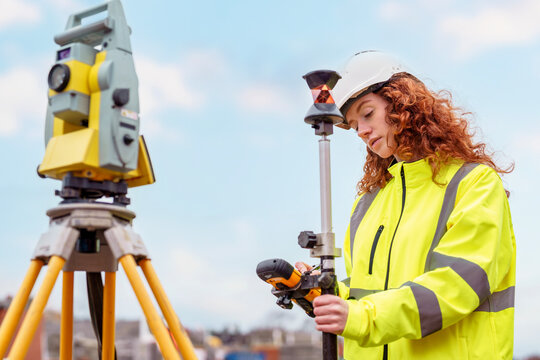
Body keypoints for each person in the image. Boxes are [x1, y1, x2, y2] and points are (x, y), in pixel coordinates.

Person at [296, 50, 516, 360]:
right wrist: (319, 291)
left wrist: (362, 319)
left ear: (401, 102)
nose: (361, 131)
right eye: (355, 124)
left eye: (368, 113)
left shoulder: (473, 185)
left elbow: (455, 286)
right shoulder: (368, 204)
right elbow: (366, 294)